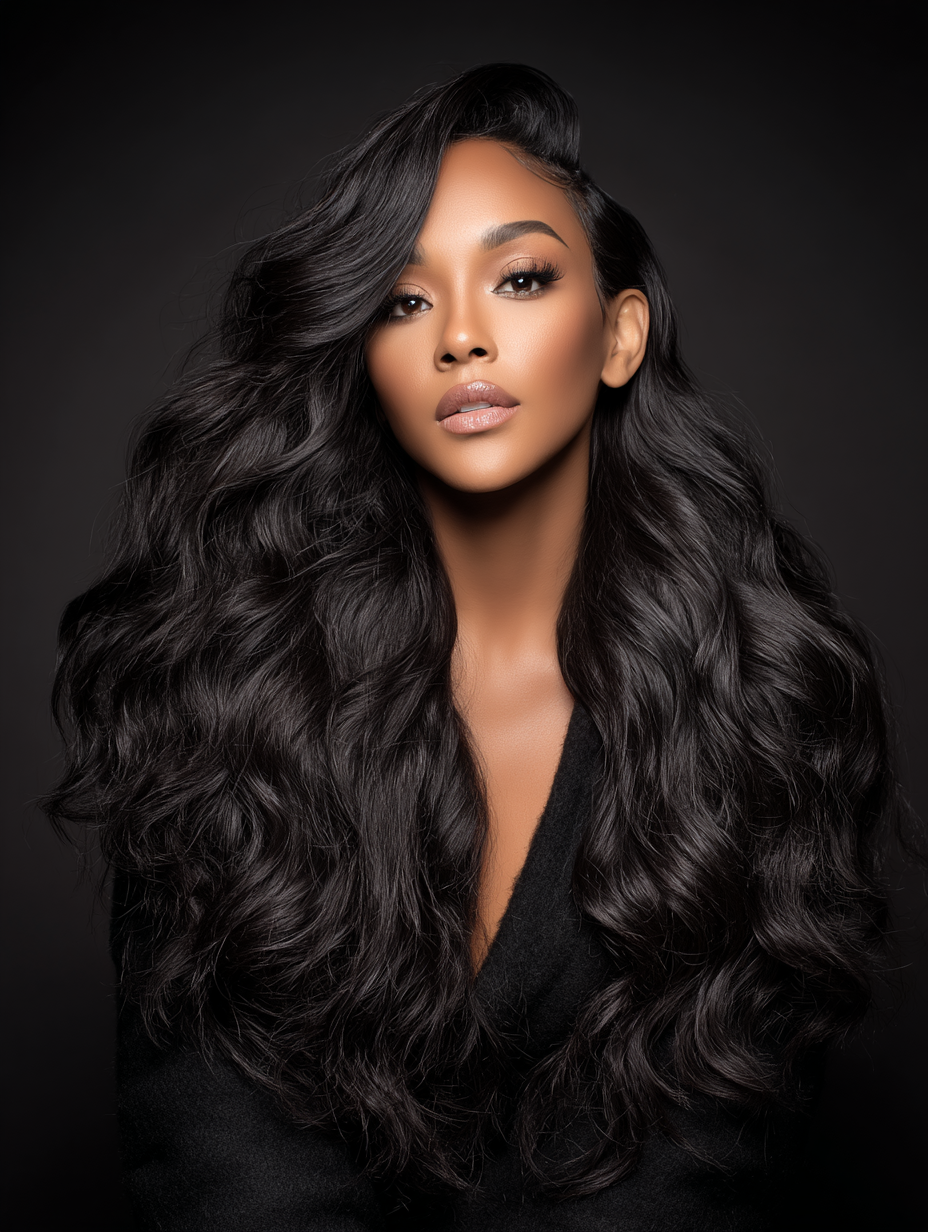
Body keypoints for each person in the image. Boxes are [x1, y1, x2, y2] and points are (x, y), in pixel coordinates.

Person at [45, 64, 897, 1230]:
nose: (459, 337)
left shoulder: (763, 705)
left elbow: (687, 1179)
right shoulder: (223, 691)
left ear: (619, 335)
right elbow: (223, 1169)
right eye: (401, 301)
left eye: (521, 278)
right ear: (364, 362)